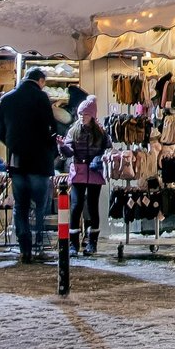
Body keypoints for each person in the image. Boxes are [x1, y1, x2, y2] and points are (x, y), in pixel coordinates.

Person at [0, 67, 65, 264]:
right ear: (41, 81)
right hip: (39, 162)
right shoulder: (41, 98)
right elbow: (50, 127)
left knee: (21, 206)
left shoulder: (7, 99)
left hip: (17, 162)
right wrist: (51, 149)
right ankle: (38, 247)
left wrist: (12, 144)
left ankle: (24, 248)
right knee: (40, 207)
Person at [66, 98, 110, 255]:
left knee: (92, 206)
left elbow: (108, 149)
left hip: (94, 171)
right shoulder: (73, 131)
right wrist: (63, 148)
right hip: (78, 171)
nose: (82, 117)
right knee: (76, 205)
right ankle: (73, 244)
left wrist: (100, 158)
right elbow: (68, 150)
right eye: (79, 114)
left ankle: (92, 243)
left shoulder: (101, 132)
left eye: (85, 114)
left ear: (92, 115)